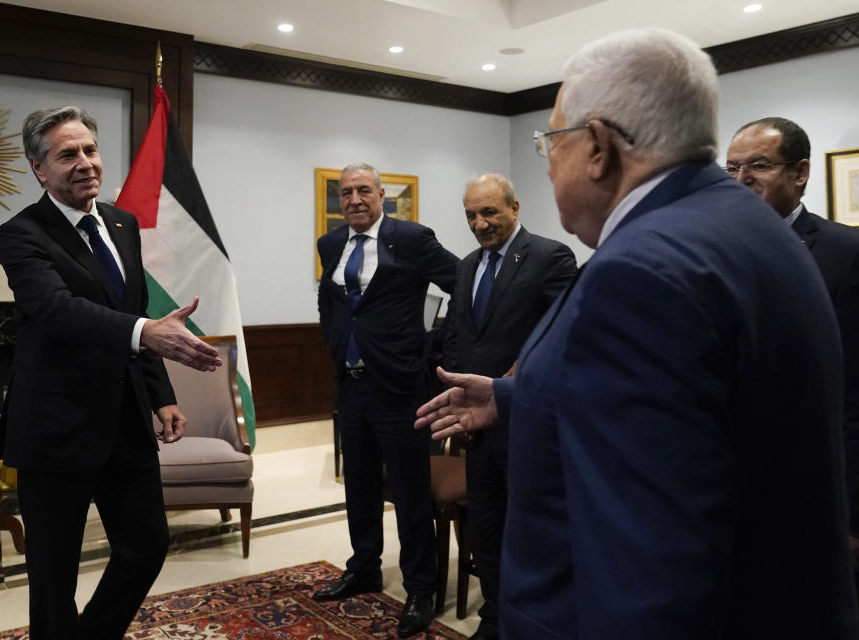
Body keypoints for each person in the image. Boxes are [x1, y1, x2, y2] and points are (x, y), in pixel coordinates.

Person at [415, 29, 858, 639]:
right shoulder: (748, 229)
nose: (547, 163)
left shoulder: (640, 270)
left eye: (551, 141)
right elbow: (697, 412)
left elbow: (647, 561)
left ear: (597, 146)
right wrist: (514, 396)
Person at [0, 105, 222, 639]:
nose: (84, 163)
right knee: (53, 578)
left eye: (90, 150)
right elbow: (56, 310)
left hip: (124, 424)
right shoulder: (20, 234)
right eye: (67, 154)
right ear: (39, 168)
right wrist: (147, 331)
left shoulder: (121, 223)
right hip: (55, 430)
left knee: (146, 548)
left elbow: (136, 309)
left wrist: (160, 394)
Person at [315, 163, 459, 636]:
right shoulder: (332, 243)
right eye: (345, 193)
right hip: (351, 385)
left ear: (382, 196)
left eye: (363, 191)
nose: (354, 199)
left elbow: (463, 284)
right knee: (358, 484)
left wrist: (433, 346)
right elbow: (330, 299)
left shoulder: (412, 239)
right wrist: (335, 340)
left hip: (400, 388)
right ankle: (363, 567)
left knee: (408, 489)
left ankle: (420, 587)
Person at [442, 172, 576, 640]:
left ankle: (531, 620)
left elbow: (563, 335)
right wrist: (458, 396)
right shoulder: (465, 266)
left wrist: (507, 387)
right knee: (487, 528)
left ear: (515, 209)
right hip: (478, 428)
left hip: (527, 422)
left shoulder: (549, 256)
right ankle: (496, 617)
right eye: (471, 215)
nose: (480, 224)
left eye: (490, 212)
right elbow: (458, 337)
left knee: (531, 532)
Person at [727, 116, 859, 583]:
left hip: (812, 492)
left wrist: (851, 514)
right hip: (726, 493)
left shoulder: (847, 253)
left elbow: (853, 395)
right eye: (732, 168)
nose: (742, 180)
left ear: (800, 172)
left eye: (758, 166)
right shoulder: (709, 253)